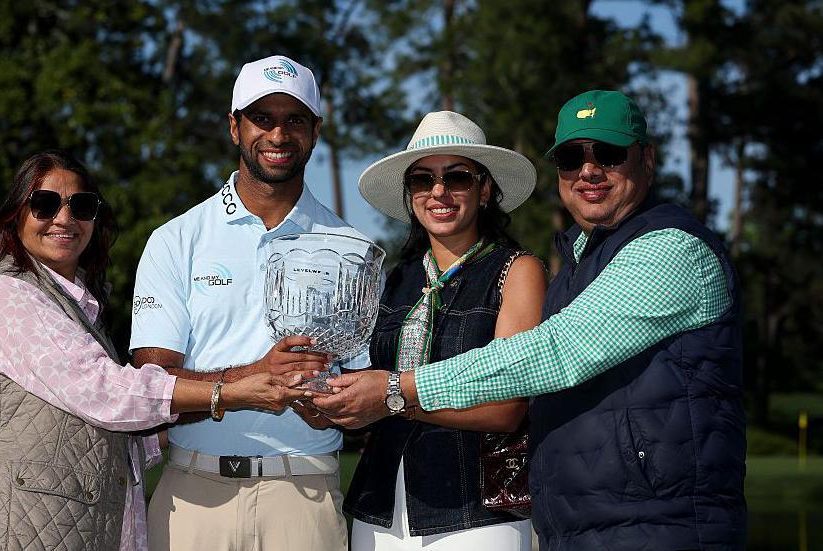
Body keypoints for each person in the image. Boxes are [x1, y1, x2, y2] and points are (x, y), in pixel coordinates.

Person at [318, 90, 746, 549]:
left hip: (655, 523)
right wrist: (327, 393)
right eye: (570, 158)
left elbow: (553, 354)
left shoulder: (671, 249)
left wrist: (395, 392)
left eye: (608, 153)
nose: (588, 171)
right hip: (580, 524)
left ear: (647, 159)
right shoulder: (577, 263)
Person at [0, 151, 314, 551]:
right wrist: (235, 390)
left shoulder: (79, 307)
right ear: (16, 215)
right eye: (44, 204)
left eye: (81, 206)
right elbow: (106, 392)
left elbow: (126, 432)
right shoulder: (5, 294)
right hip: (9, 533)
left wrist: (258, 395)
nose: (64, 219)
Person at [130, 55, 370, 551]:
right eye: (262, 118)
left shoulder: (355, 249)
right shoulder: (176, 239)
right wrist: (257, 377)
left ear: (316, 132)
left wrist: (328, 407)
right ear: (234, 126)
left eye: (294, 120)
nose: (278, 135)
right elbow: (152, 389)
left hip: (304, 494)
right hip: (192, 496)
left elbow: (361, 391)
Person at [331, 111, 545, 551]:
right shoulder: (396, 278)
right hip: (380, 508)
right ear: (410, 194)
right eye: (422, 179)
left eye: (457, 177)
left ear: (485, 189)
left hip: (478, 514)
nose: (439, 192)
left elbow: (508, 406)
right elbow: (364, 379)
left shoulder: (517, 271)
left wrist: (392, 398)